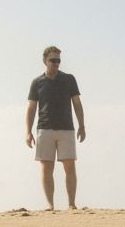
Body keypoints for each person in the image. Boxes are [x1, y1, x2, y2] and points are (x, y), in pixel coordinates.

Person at [25, 46, 86, 210]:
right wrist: (28, 131)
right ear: (45, 61)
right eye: (53, 60)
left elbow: (77, 104)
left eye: (58, 60)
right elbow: (31, 108)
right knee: (46, 167)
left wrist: (82, 125)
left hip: (66, 128)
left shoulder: (69, 79)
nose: (56, 63)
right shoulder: (37, 82)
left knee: (69, 166)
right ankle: (50, 205)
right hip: (44, 129)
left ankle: (72, 204)